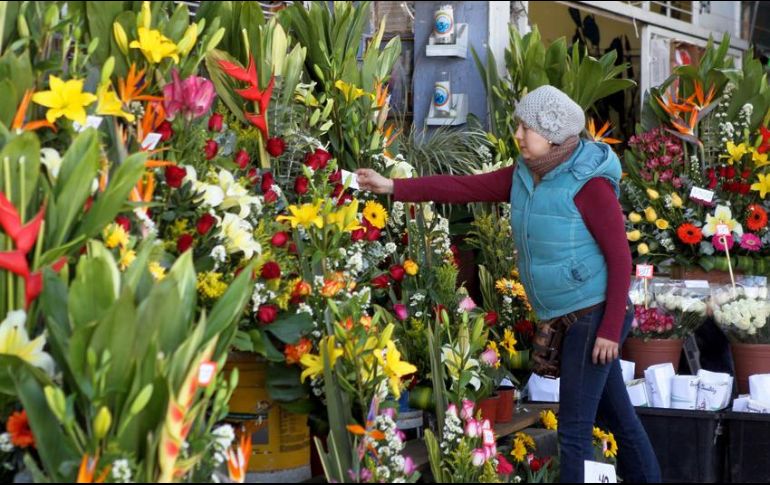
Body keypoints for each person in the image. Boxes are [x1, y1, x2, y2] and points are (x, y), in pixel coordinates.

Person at [356, 86, 662, 483]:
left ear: (551, 134)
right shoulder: (525, 175)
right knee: (619, 417)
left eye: (525, 127)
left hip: (595, 312)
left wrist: (607, 332)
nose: (517, 134)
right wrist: (393, 187)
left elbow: (621, 258)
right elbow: (463, 189)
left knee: (572, 431)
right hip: (567, 315)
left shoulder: (590, 184)